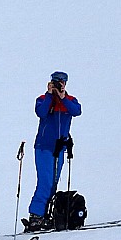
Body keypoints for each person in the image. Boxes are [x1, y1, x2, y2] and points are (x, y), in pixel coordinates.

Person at [24, 71, 82, 231]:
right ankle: (35, 216)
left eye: (61, 82)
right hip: (43, 147)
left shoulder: (70, 101)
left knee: (54, 183)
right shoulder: (43, 99)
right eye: (55, 81)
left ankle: (46, 214)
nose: (58, 84)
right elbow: (41, 112)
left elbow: (77, 111)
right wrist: (50, 94)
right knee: (45, 182)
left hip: (59, 149)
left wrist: (62, 96)